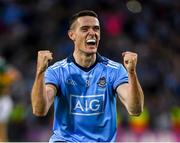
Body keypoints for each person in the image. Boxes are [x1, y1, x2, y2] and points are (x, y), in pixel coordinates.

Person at [31, 10, 144, 142]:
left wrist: (131, 73)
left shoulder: (115, 70)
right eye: (85, 29)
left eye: (96, 29)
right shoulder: (57, 71)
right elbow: (40, 110)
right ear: (72, 35)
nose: (92, 33)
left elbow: (135, 110)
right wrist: (40, 72)